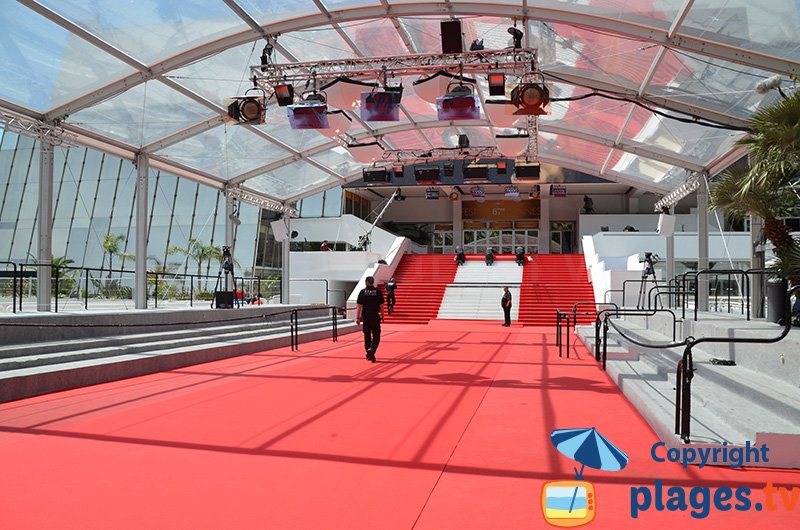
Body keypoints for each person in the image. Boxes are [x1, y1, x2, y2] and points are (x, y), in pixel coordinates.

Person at [356, 276, 384, 362]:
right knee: (376, 335)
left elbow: (359, 306)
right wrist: (382, 315)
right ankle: (372, 349)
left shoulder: (362, 292)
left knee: (367, 335)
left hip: (366, 317)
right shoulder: (378, 292)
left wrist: (358, 317)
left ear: (367, 282)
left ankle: (369, 354)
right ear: (372, 282)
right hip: (375, 316)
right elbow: (381, 305)